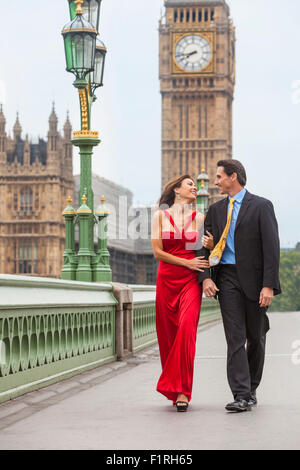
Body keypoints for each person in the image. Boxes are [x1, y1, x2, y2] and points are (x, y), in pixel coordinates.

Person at [199, 160, 281, 412]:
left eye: (219, 177)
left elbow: (272, 249)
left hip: (255, 282)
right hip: (227, 279)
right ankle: (241, 394)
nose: (215, 182)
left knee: (255, 337)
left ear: (233, 177)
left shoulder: (262, 206)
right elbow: (204, 248)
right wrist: (206, 278)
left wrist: (268, 285)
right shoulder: (214, 210)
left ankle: (251, 387)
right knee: (234, 339)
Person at [152, 175, 209, 412]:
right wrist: (186, 263)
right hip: (167, 280)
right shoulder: (159, 216)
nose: (194, 187)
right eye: (189, 184)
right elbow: (157, 252)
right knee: (169, 335)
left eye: (195, 185)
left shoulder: (201, 218)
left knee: (186, 331)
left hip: (190, 282)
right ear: (177, 189)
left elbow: (206, 251)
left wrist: (211, 243)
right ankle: (174, 388)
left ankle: (184, 390)